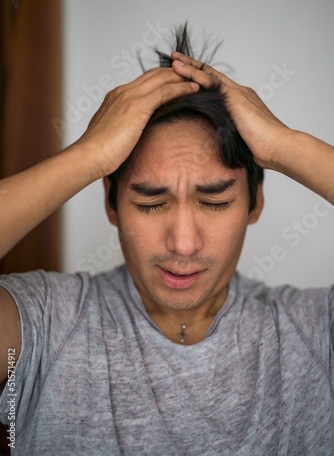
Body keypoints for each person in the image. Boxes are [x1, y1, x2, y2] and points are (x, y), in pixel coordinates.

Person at [0, 26, 333, 455]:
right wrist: (89, 154)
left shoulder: (315, 334)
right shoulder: (43, 328)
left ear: (254, 204)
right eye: (151, 203)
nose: (183, 244)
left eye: (214, 202)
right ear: (112, 203)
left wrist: (287, 146)